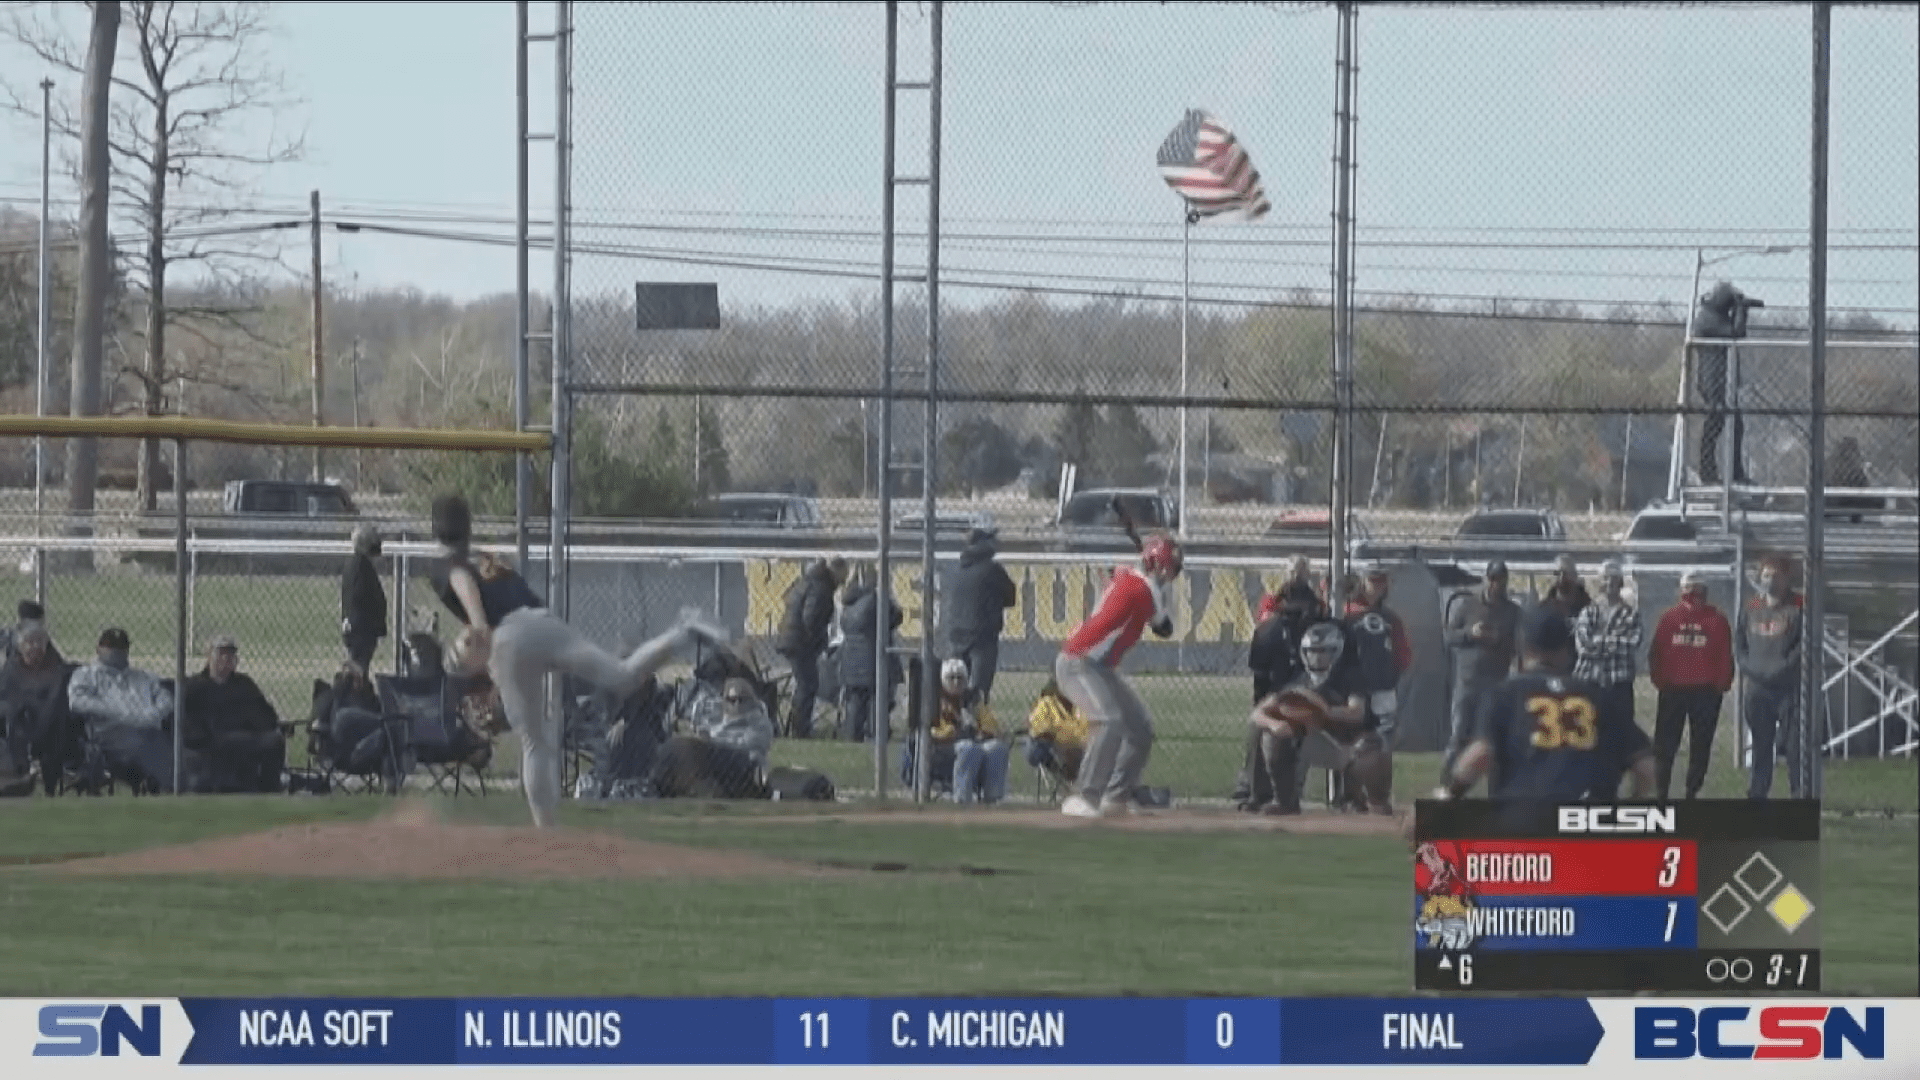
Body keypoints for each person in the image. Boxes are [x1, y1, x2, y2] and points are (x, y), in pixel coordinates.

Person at [426, 493, 728, 828]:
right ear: (467, 526)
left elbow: (475, 613)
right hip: (541, 621)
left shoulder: (448, 566)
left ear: (434, 528)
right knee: (622, 675)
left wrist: (475, 653)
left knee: (534, 741)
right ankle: (683, 631)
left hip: (510, 638)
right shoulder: (487, 557)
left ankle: (548, 833)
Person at [1432, 605, 1656, 821]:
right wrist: (1632, 805)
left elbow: (1480, 755)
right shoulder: (1599, 697)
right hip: (1586, 826)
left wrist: (1450, 794)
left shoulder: (1506, 694)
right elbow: (1646, 768)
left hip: (1524, 820)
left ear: (1524, 648)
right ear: (1567, 650)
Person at [1055, 532, 1182, 819]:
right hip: (1078, 662)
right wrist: (1154, 595)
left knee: (1140, 728)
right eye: (1169, 567)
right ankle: (1085, 797)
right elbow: (1164, 628)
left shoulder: (1134, 580)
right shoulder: (1144, 591)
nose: (1171, 574)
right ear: (1158, 565)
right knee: (1108, 721)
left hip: (1100, 668)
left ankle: (1115, 797)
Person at [1243, 621, 1371, 816]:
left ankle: (1353, 798)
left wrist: (1322, 711)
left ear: (1336, 652)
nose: (1316, 657)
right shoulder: (1298, 680)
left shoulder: (1348, 677)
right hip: (1308, 742)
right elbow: (1257, 713)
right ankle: (1282, 800)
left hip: (1341, 744)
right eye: (1311, 651)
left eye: (1323, 651)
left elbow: (1357, 712)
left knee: (1369, 745)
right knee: (1268, 734)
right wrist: (1276, 724)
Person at [1648, 571, 1734, 801]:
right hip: (1681, 689)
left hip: (1697, 690)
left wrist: (1720, 685)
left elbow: (1725, 656)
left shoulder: (1713, 619)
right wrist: (1662, 681)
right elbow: (1656, 653)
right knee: (1672, 746)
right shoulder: (1672, 618)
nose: (1692, 594)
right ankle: (1671, 792)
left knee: (1691, 746)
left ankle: (1682, 792)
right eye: (1689, 588)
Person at [67, 627, 176, 793]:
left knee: (159, 741)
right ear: (98, 648)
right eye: (109, 646)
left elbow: (167, 700)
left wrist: (152, 715)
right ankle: (171, 787)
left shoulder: (144, 677)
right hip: (109, 736)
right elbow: (77, 702)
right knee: (153, 745)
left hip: (147, 732)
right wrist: (121, 714)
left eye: (120, 647)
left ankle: (172, 786)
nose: (114, 652)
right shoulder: (86, 675)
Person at [1440, 560, 1521, 782]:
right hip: (1467, 681)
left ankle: (1498, 790)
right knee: (1458, 735)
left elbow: (1520, 646)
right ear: (1486, 579)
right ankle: (1447, 783)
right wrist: (1471, 633)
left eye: (1500, 579)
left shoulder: (1513, 611)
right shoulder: (1468, 605)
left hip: (1496, 682)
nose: (1496, 584)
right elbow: (1449, 637)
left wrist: (1498, 640)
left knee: (1493, 739)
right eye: (1493, 579)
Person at [1735, 555, 1805, 800]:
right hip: (1757, 687)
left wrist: (1784, 667)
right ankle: (1758, 791)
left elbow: (1804, 645)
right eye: (1766, 575)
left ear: (1786, 578)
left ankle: (1798, 791)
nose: (1770, 580)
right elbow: (1740, 643)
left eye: (1776, 575)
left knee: (1795, 744)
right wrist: (1748, 667)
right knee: (1761, 743)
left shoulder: (1798, 605)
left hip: (1788, 687)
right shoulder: (1751, 606)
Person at [181, 634, 286, 793]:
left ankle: (268, 792)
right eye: (221, 653)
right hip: (212, 739)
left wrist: (261, 725)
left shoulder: (245, 684)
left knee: (275, 741)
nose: (226, 658)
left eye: (230, 654)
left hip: (247, 735)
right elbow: (188, 723)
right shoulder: (194, 687)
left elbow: (266, 715)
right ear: (208, 656)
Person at [775, 556, 847, 738]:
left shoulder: (810, 581)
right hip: (799, 642)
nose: (844, 580)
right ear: (836, 571)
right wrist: (819, 642)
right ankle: (800, 729)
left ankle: (799, 727)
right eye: (844, 574)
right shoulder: (820, 587)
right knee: (807, 685)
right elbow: (811, 619)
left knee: (806, 684)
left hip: (792, 639)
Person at [945, 528, 1018, 704]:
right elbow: (1011, 597)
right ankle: (975, 722)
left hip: (956, 634)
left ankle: (956, 723)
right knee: (979, 687)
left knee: (954, 685)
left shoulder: (957, 568)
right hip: (982, 636)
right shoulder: (992, 569)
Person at [1572, 560, 1644, 730]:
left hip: (1619, 685)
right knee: (1587, 733)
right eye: (1605, 578)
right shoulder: (1588, 612)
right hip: (1589, 682)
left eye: (1614, 578)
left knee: (1620, 736)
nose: (1610, 582)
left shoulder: (1631, 614)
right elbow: (1583, 646)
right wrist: (1613, 641)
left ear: (1621, 582)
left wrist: (1598, 640)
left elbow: (1631, 645)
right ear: (1600, 582)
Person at [926, 657, 1009, 804]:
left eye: (960, 678)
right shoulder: (934, 699)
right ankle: (962, 800)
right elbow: (933, 731)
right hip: (940, 749)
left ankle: (992, 799)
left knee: (997, 748)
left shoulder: (972, 698)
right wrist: (955, 730)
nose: (956, 682)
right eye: (951, 678)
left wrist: (984, 731)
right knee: (969, 748)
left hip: (971, 743)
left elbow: (989, 724)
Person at [837, 571, 902, 744]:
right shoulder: (877, 600)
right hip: (873, 661)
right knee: (877, 699)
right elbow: (896, 617)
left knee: (855, 703)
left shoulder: (848, 604)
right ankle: (877, 735)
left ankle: (852, 736)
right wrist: (890, 597)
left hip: (851, 661)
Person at [341, 523, 389, 672]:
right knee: (358, 668)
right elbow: (362, 598)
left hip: (358, 628)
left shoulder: (358, 565)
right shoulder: (360, 567)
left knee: (359, 666)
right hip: (361, 630)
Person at [1025, 677, 1088, 783]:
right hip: (1051, 748)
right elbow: (1040, 733)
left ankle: (1077, 785)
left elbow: (1086, 733)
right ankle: (1066, 781)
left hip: (1075, 749)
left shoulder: (1081, 707)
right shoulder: (1046, 704)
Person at [1539, 555, 1591, 627]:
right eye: (1558, 573)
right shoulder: (1545, 608)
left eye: (1566, 573)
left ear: (1575, 576)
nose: (1562, 577)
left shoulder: (1588, 608)